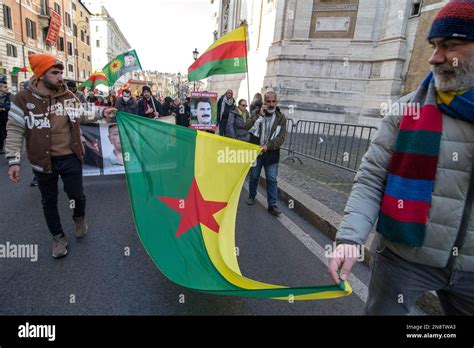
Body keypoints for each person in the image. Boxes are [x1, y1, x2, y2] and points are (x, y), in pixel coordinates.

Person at [326, 0, 474, 315]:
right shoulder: (404, 109)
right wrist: (350, 237)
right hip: (403, 257)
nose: (435, 57)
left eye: (449, 46)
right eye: (434, 45)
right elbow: (372, 176)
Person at [4, 53, 116, 259]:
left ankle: (79, 217)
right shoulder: (22, 99)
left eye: (61, 73)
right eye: (55, 73)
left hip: (70, 157)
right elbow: (14, 130)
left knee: (77, 195)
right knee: (49, 201)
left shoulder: (67, 97)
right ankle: (58, 238)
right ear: (40, 74)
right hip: (42, 162)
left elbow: (83, 113)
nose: (60, 77)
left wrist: (102, 113)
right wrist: (14, 160)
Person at [245, 91, 287, 216]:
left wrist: (268, 146)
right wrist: (259, 116)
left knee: (272, 179)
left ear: (276, 102)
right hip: (256, 153)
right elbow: (246, 127)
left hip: (271, 154)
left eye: (273, 101)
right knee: (254, 177)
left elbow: (281, 138)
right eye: (268, 101)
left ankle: (272, 205)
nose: (271, 104)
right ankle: (252, 195)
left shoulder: (281, 118)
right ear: (264, 102)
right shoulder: (256, 113)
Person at [0, 78, 11, 155]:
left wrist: (3, 107)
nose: (7, 88)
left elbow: (11, 106)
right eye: (5, 87)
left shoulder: (10, 96)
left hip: (7, 121)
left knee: (7, 136)